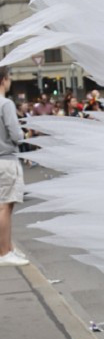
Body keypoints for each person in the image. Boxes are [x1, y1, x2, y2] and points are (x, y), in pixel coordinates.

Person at [0, 71, 29, 268]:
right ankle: (4, 252)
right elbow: (15, 133)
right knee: (5, 207)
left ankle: (7, 248)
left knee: (3, 205)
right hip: (6, 159)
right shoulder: (6, 104)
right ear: (3, 80)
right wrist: (23, 135)